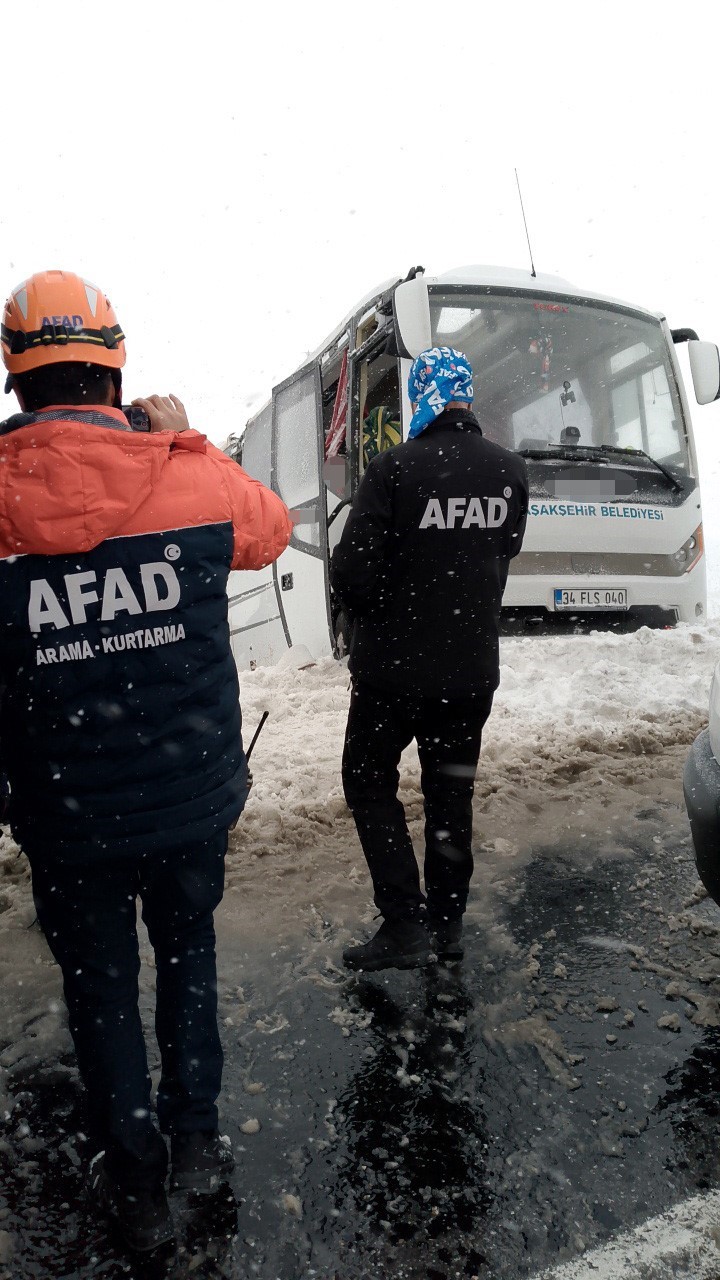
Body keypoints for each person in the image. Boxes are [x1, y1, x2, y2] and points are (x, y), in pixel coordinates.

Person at [0, 270, 292, 1251]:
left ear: (15, 367)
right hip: (188, 794)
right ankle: (197, 1139)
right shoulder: (185, 469)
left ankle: (134, 1171)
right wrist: (187, 435)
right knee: (187, 954)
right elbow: (273, 527)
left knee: (100, 985)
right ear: (114, 360)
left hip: (65, 812)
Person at [330, 346, 528, 972]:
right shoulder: (509, 470)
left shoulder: (394, 469)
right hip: (471, 671)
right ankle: (447, 926)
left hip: (393, 672)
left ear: (422, 397)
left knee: (368, 781)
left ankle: (403, 923)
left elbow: (353, 575)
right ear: (465, 395)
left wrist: (394, 597)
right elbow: (506, 549)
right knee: (451, 793)